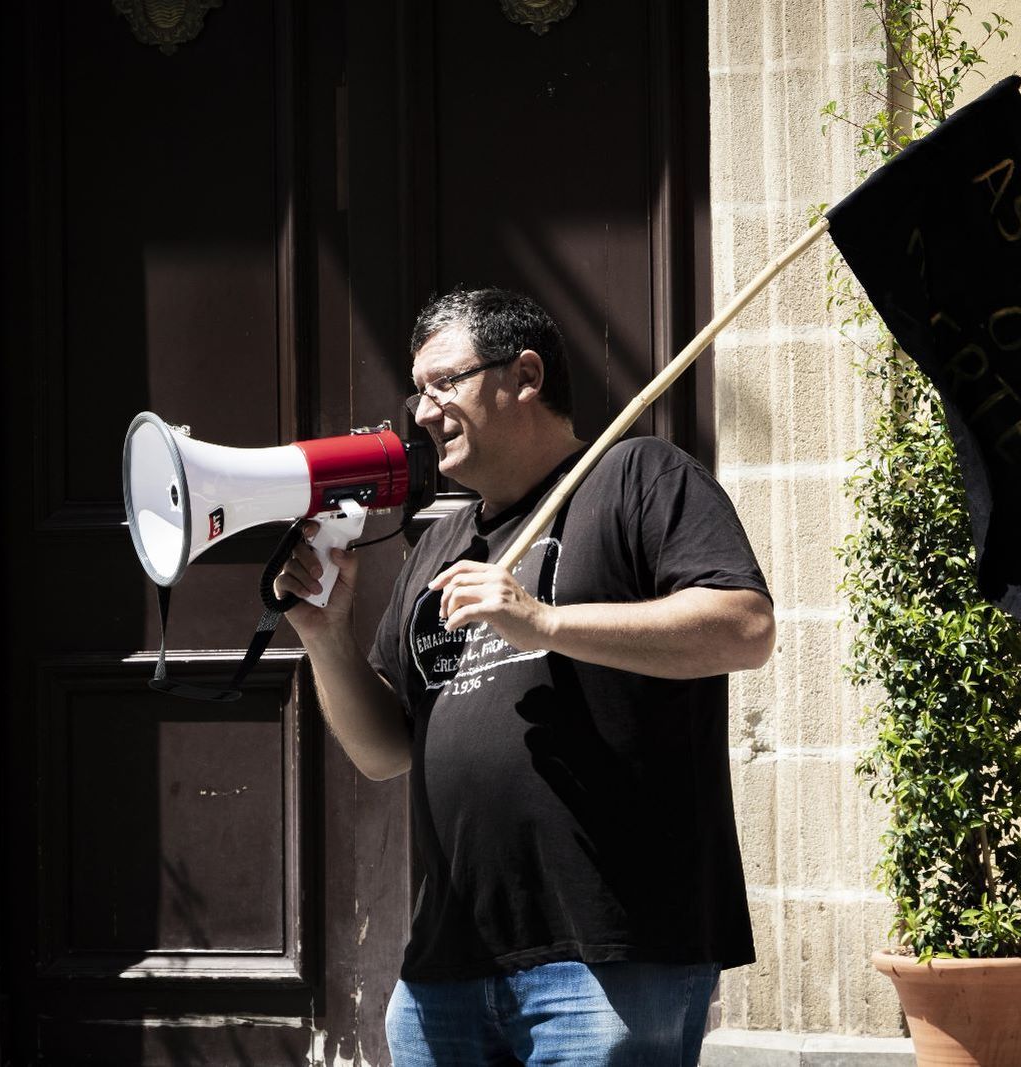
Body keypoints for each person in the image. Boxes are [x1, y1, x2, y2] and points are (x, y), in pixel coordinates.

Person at [273, 287, 775, 1066]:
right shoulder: (438, 548)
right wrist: (325, 635)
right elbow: (384, 751)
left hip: (609, 957)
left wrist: (543, 624)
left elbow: (745, 627)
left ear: (526, 374)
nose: (423, 411)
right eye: (417, 390)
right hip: (446, 965)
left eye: (445, 383)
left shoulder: (638, 476)